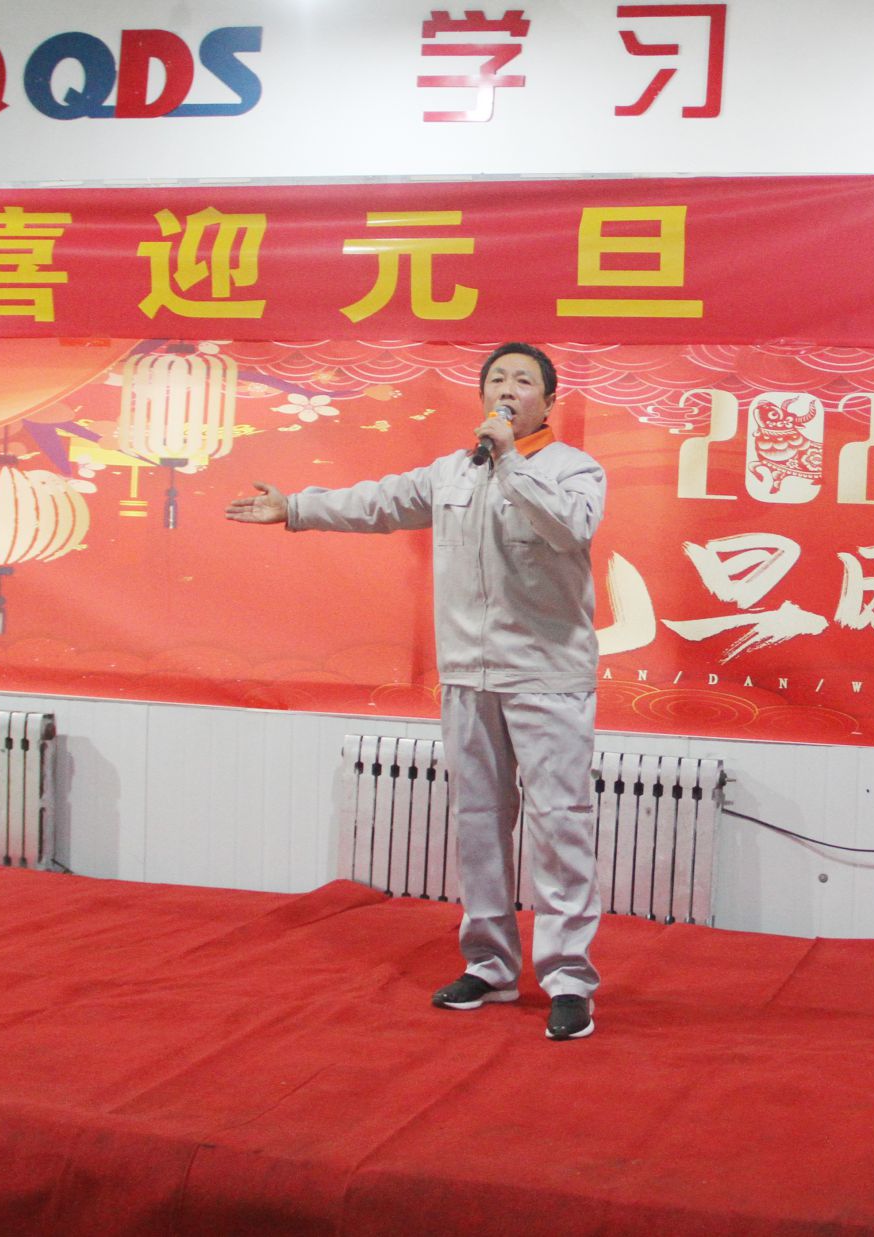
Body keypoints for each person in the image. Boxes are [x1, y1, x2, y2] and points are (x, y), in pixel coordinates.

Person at [225, 343, 605, 1041]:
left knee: (560, 826)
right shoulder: (452, 471)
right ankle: (490, 964)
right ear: (482, 397)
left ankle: (568, 979)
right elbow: (380, 501)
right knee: (478, 823)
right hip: (468, 675)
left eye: (523, 381)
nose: (507, 389)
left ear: (549, 401)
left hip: (546, 677)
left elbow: (569, 528)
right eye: (496, 379)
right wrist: (296, 506)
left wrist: (511, 463)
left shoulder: (573, 470)